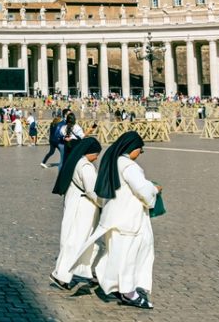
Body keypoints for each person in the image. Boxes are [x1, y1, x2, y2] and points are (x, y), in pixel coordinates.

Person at [82, 131, 161, 309]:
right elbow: (142, 190)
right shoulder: (129, 166)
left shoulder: (114, 161)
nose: (140, 154)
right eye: (140, 150)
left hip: (114, 215)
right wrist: (154, 190)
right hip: (128, 218)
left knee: (117, 253)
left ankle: (112, 282)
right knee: (129, 256)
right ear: (133, 149)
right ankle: (128, 292)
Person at [50, 137, 103, 290]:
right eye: (96, 154)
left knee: (85, 241)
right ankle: (61, 275)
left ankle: (92, 271)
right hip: (84, 207)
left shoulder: (76, 161)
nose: (97, 157)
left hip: (75, 203)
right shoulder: (86, 166)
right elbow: (92, 191)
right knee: (78, 241)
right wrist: (104, 204)